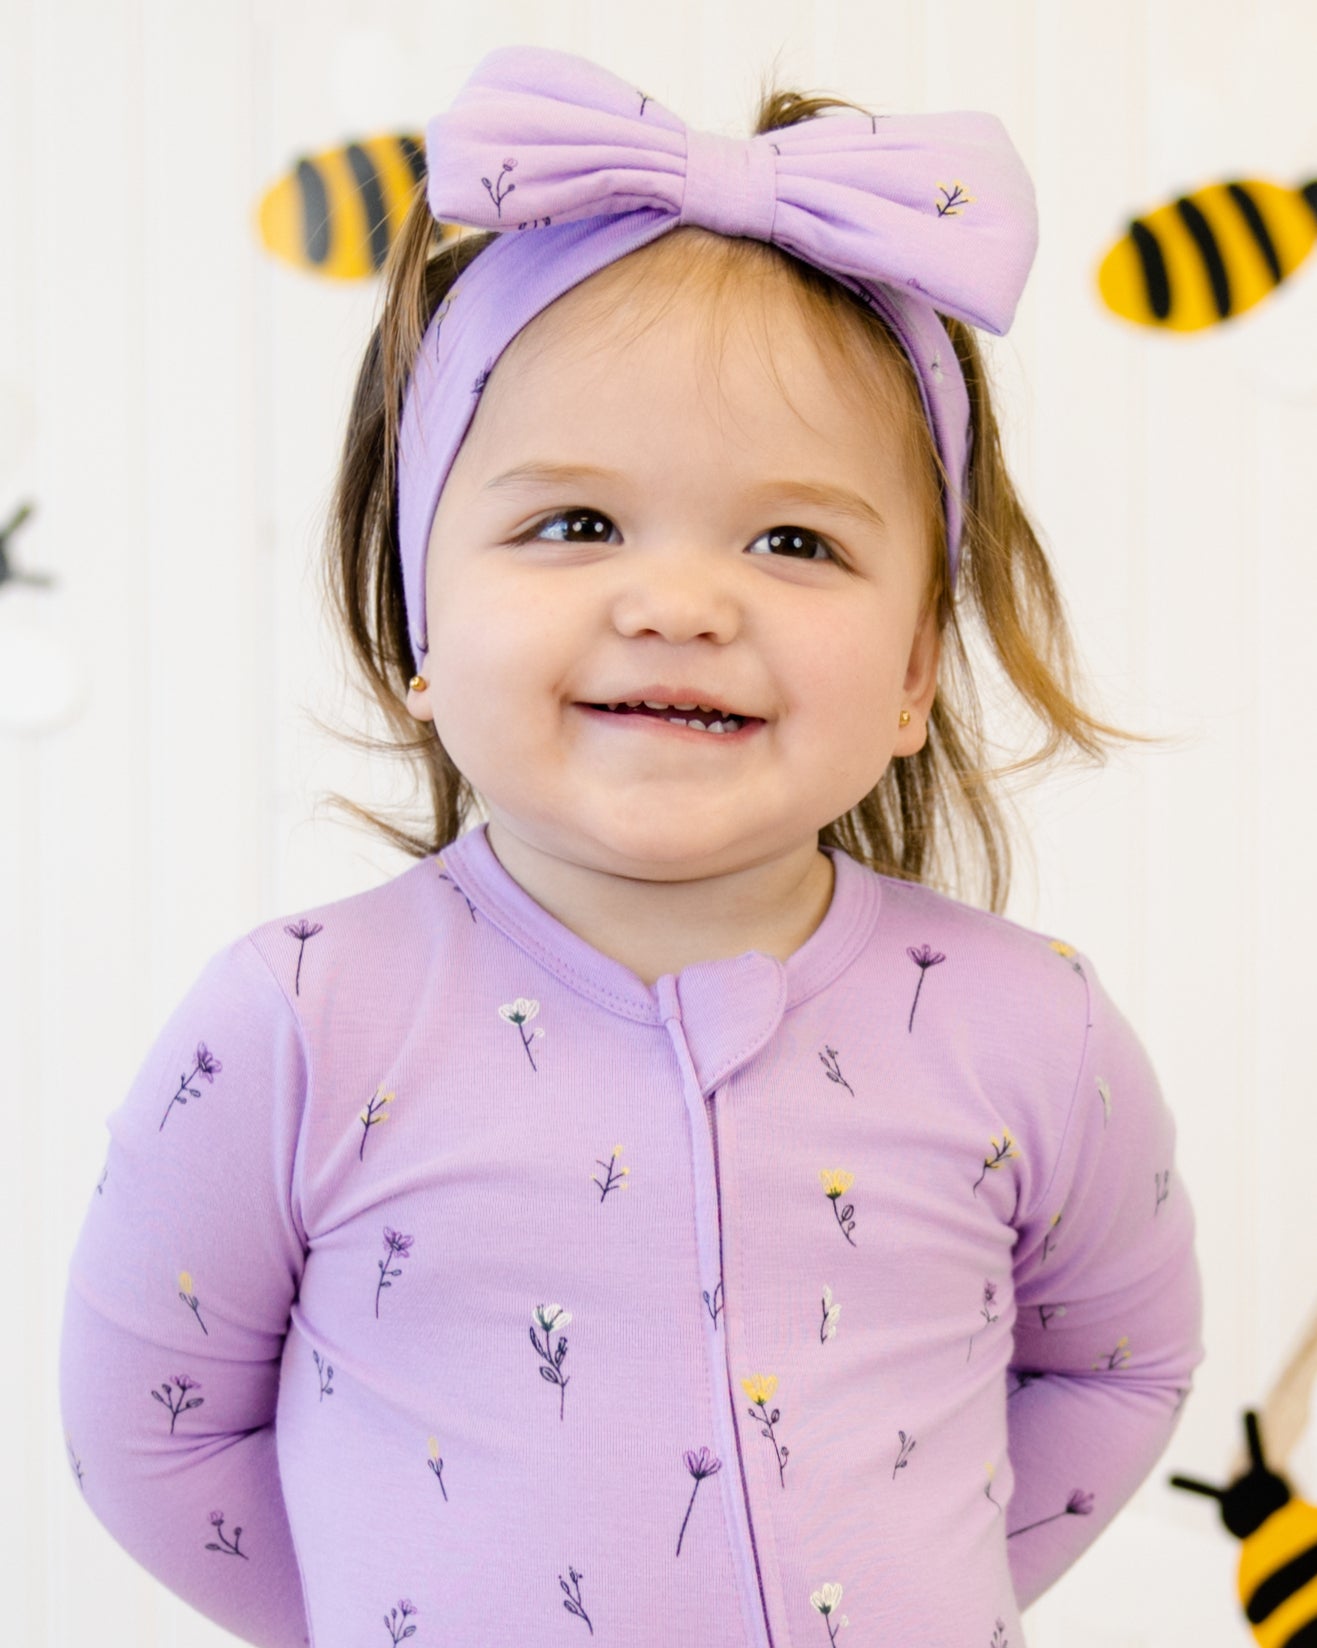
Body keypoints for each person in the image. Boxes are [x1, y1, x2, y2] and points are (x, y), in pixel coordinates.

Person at [59, 43, 1203, 1648]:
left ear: (913, 673)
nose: (678, 602)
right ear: (420, 625)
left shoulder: (1028, 1024)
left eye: (794, 539)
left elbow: (1115, 1362)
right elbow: (151, 1430)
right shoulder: (302, 1022)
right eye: (573, 524)